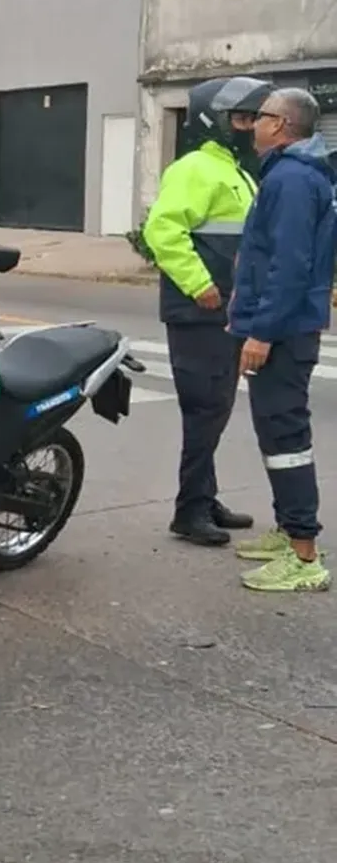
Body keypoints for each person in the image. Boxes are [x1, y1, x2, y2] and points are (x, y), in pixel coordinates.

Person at [143, 76, 272, 546]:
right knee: (204, 410)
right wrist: (201, 285)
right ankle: (189, 510)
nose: (250, 127)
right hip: (200, 312)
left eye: (254, 118)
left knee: (216, 409)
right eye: (241, 118)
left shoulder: (237, 170)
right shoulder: (196, 167)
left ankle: (205, 496)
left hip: (227, 312)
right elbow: (163, 231)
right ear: (214, 122)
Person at [227, 88, 336, 591]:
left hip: (284, 331)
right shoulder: (292, 174)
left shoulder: (291, 180)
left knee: (286, 437)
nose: (251, 124)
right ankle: (289, 529)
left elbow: (289, 266)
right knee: (276, 436)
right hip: (288, 326)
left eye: (261, 116)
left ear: (282, 125)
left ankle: (304, 556)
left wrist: (261, 332)